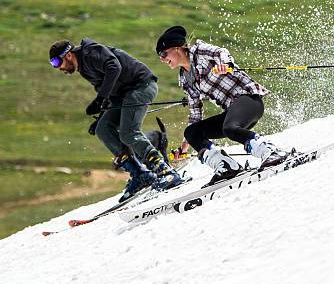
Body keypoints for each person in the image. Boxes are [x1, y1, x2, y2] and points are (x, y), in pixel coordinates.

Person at [49, 38, 184, 201]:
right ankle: (140, 174)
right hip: (122, 96)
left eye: (57, 62)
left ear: (68, 55)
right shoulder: (84, 68)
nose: (57, 68)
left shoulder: (90, 52)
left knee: (128, 133)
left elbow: (114, 67)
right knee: (103, 129)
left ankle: (166, 172)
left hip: (140, 86)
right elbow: (111, 91)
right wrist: (101, 116)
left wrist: (99, 99)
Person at [156, 25, 288, 186]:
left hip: (249, 100)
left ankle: (271, 152)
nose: (162, 59)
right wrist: (185, 147)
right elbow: (195, 113)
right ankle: (226, 166)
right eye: (159, 56)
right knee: (192, 132)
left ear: (177, 48)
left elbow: (221, 52)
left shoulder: (199, 51)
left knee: (229, 128)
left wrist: (225, 65)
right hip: (232, 111)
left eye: (163, 54)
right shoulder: (185, 79)